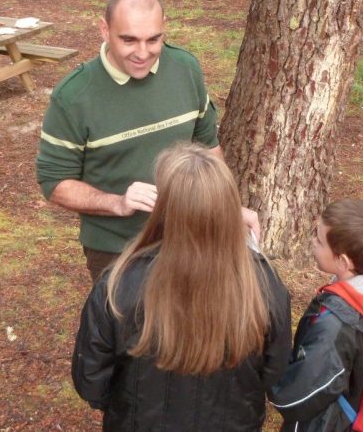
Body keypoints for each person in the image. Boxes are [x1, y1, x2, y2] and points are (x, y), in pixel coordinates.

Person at [35, 0, 258, 281]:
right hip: (117, 250)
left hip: (188, 239)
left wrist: (227, 210)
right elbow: (55, 183)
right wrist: (118, 203)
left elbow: (209, 150)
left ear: (165, 27)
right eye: (129, 40)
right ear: (104, 30)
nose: (143, 53)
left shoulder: (186, 69)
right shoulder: (74, 97)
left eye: (154, 39)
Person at [72, 144, 291, 432]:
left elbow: (91, 380)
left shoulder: (118, 282)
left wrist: (127, 407)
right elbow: (274, 372)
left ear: (164, 208)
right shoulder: (264, 283)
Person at [269, 199, 363, 431]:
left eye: (319, 241)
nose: (312, 242)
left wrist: (268, 376)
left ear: (343, 262)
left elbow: (294, 397)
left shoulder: (334, 327)